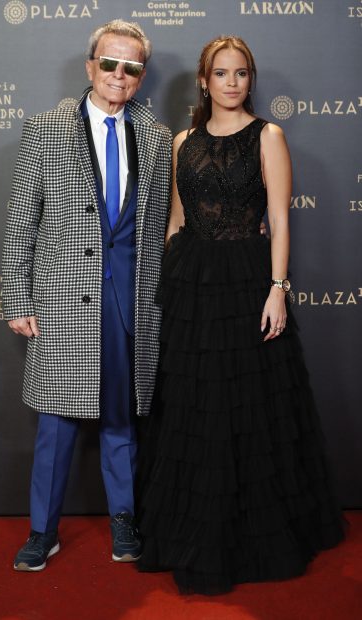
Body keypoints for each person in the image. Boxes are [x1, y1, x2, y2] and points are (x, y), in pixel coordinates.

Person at [136, 35, 345, 595]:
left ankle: (249, 534)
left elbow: (279, 219)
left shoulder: (268, 136)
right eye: (221, 73)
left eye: (242, 72)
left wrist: (277, 288)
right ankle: (193, 532)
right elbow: (176, 222)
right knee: (193, 406)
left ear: (251, 79)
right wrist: (165, 284)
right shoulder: (183, 140)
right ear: (203, 81)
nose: (232, 82)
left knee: (250, 406)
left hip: (248, 281)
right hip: (192, 282)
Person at [2, 19, 172, 571]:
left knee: (123, 419)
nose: (119, 75)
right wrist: (17, 298)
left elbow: (166, 224)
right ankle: (41, 530)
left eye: (132, 67)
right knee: (57, 424)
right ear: (89, 65)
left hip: (132, 302)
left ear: (141, 77)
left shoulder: (156, 136)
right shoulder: (44, 129)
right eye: (109, 63)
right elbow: (20, 221)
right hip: (61, 303)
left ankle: (123, 518)